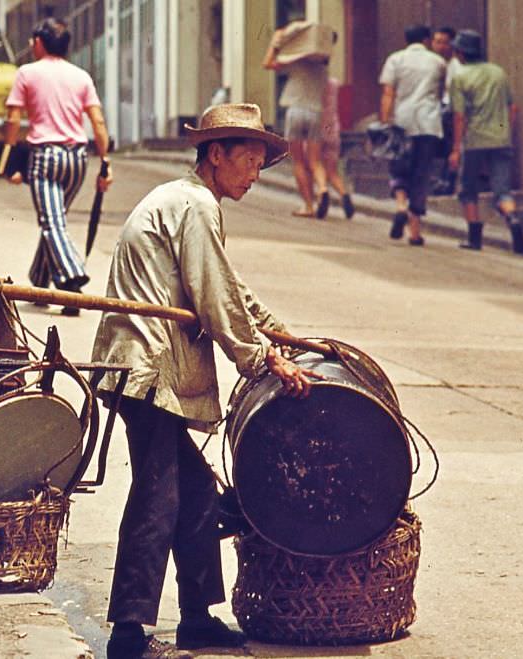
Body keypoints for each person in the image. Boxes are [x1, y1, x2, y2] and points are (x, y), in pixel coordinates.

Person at [91, 103, 320, 659]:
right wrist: (263, 358)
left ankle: (197, 617)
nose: (253, 174)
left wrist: (278, 333)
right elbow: (214, 297)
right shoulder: (193, 205)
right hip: (147, 368)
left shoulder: (191, 202)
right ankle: (127, 629)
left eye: (260, 165)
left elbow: (230, 287)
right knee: (158, 498)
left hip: (150, 369)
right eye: (246, 160)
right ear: (215, 155)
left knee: (193, 494)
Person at [4, 17, 112, 316]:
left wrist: (10, 159)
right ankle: (40, 280)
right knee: (55, 218)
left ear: (39, 43)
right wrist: (105, 162)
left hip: (45, 157)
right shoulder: (82, 76)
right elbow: (98, 122)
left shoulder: (27, 72)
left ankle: (71, 279)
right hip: (77, 159)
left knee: (52, 223)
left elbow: (13, 120)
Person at [448, 29, 523, 254]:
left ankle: (474, 237)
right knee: (502, 190)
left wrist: (455, 149)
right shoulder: (498, 72)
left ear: (461, 52)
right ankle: (512, 218)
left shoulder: (460, 77)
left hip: (474, 139)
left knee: (467, 189)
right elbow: (512, 108)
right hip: (501, 139)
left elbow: (459, 116)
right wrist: (503, 131)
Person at [379, 24, 446, 246]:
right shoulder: (438, 62)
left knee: (398, 168)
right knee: (421, 175)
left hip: (402, 122)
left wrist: (385, 120)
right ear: (426, 40)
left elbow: (388, 93)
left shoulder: (395, 59)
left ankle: (400, 207)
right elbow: (441, 92)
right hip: (428, 124)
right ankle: (414, 233)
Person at [262, 22, 334, 219]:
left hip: (295, 112)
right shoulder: (322, 68)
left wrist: (276, 43)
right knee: (315, 160)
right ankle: (322, 188)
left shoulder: (295, 63)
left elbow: (267, 63)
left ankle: (308, 206)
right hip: (315, 114)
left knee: (298, 161)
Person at [318, 77, 354, 218]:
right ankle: (344, 194)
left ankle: (322, 192)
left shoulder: (316, 83)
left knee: (315, 164)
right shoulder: (334, 83)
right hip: (333, 128)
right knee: (332, 171)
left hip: (318, 128)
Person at [431, 26, 461, 196]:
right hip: (442, 109)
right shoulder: (440, 64)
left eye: (444, 43)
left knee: (451, 149)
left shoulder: (456, 66)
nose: (440, 46)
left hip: (452, 111)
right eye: (437, 42)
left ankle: (447, 181)